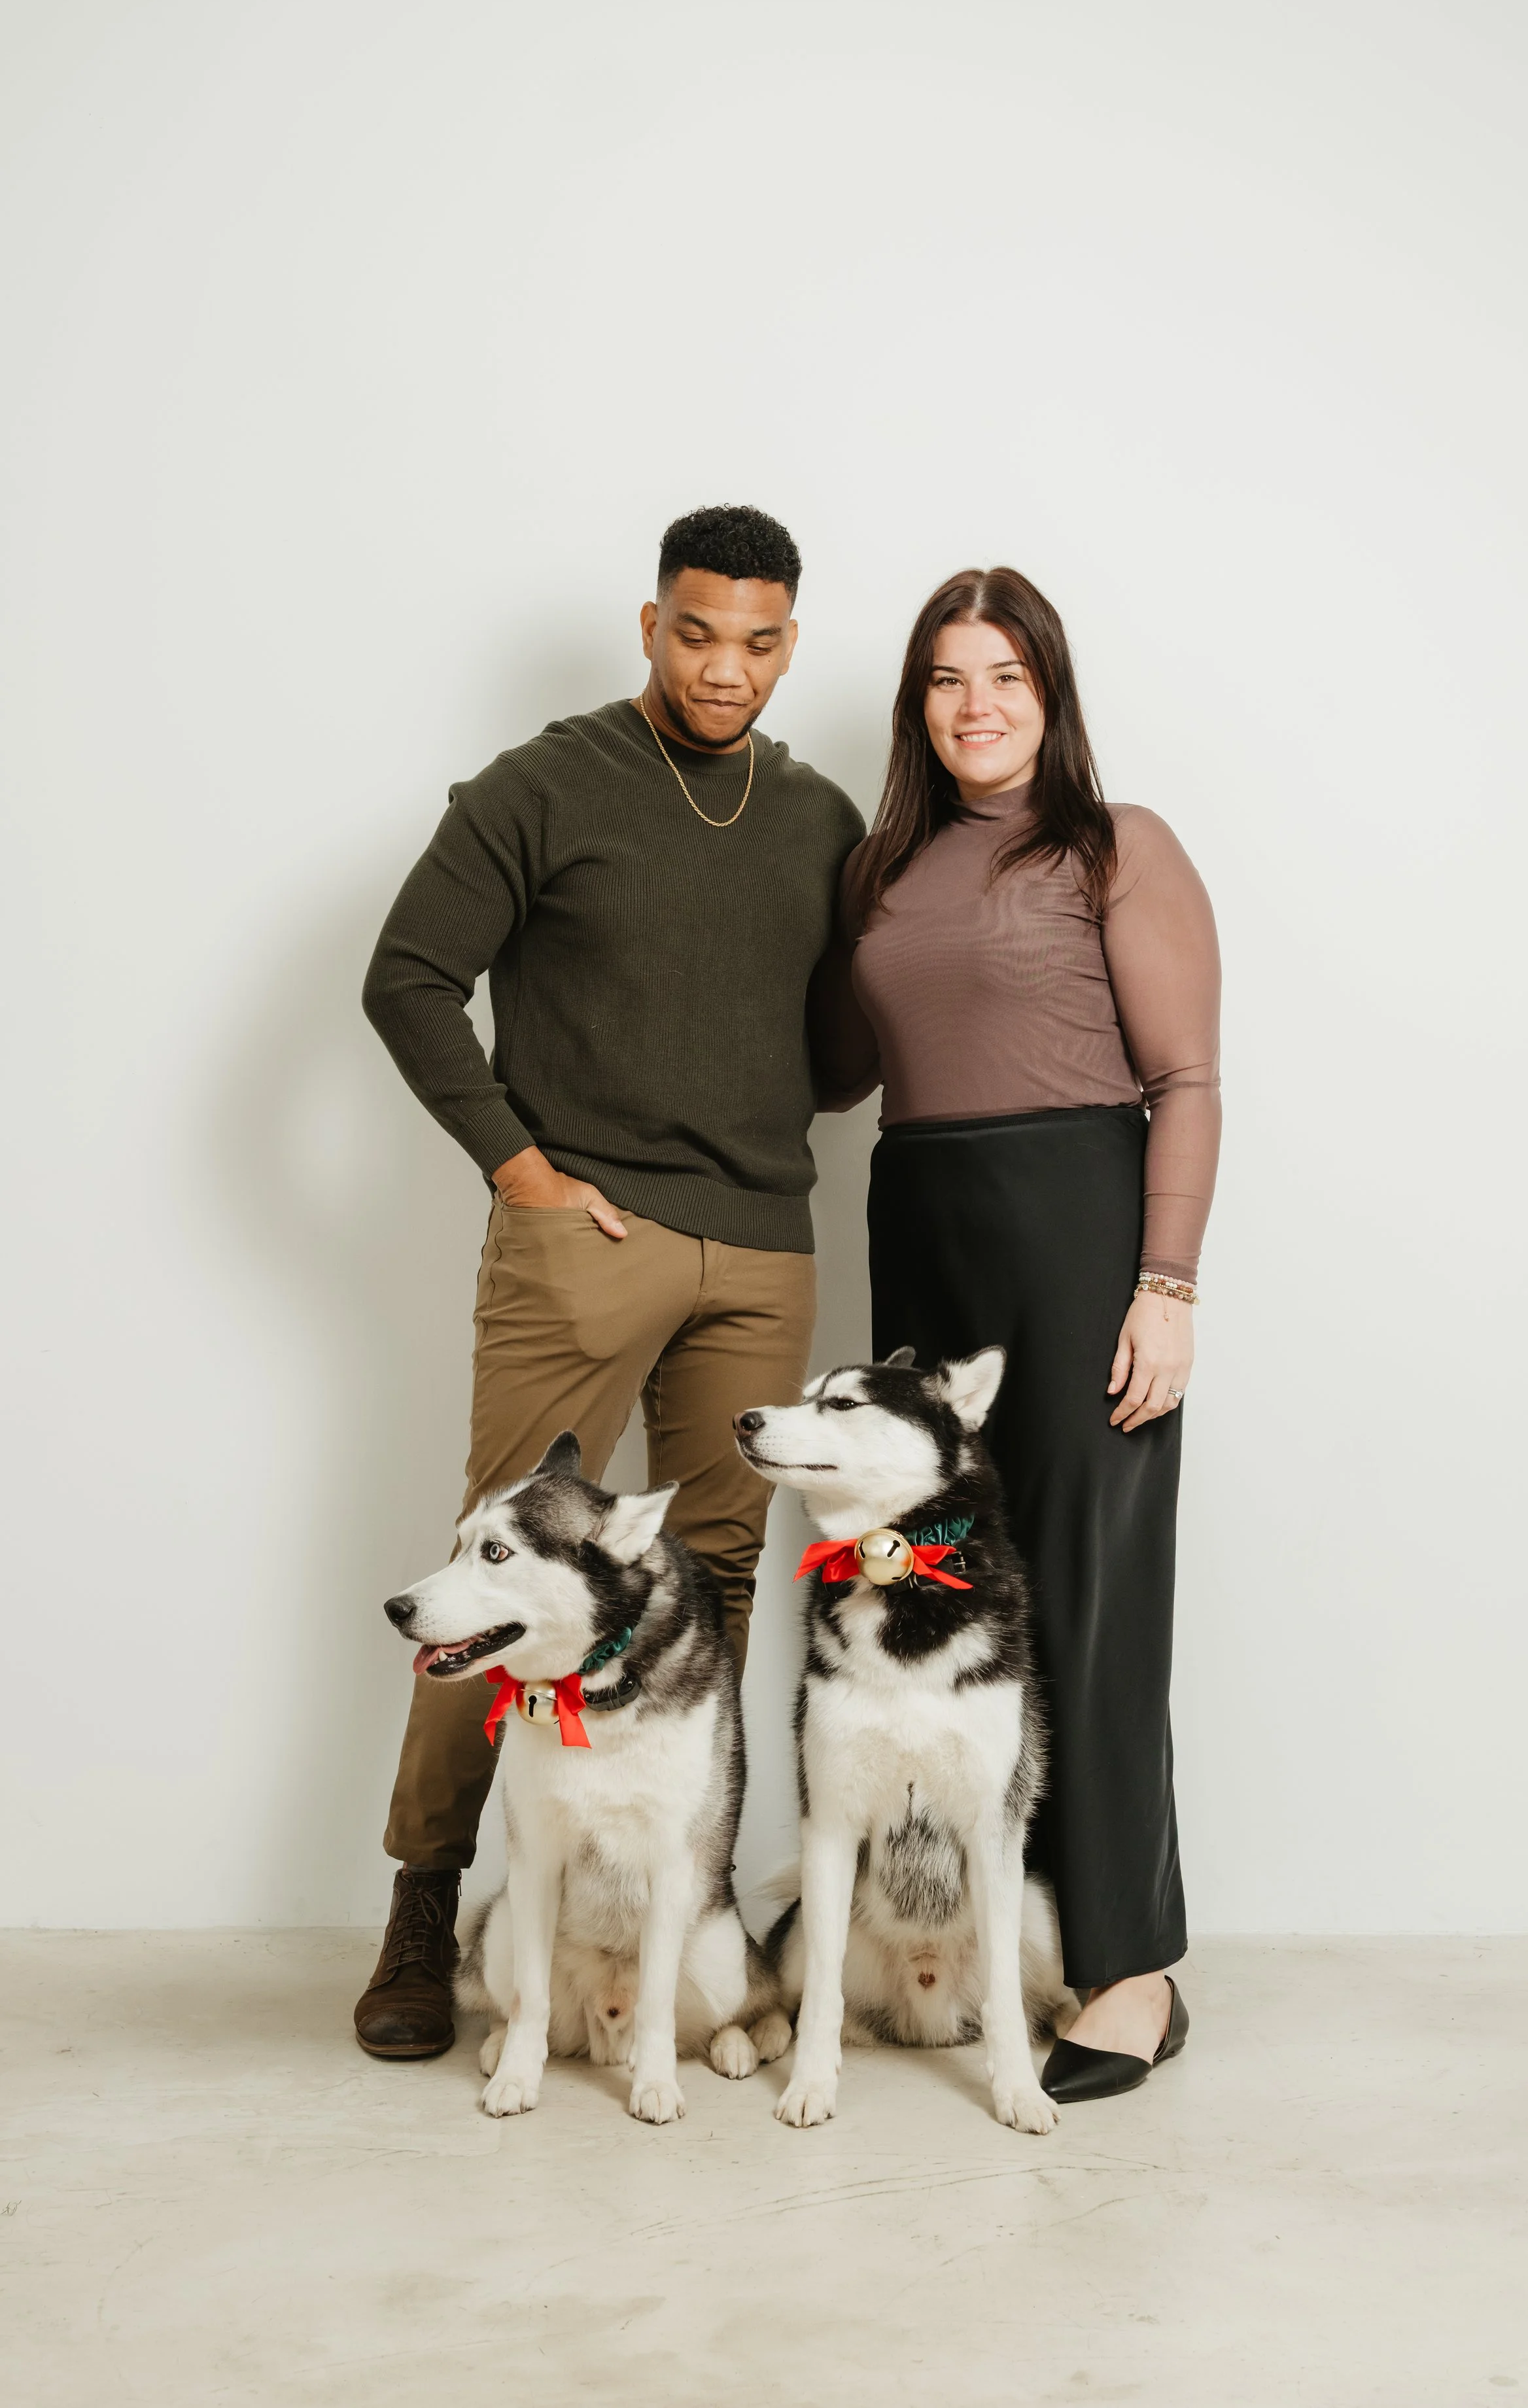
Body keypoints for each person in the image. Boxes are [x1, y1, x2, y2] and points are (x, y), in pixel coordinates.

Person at [354, 504, 864, 2060]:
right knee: (503, 1586)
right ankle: (428, 1906)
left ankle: (679, 1916)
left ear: (792, 640)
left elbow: (835, 1053)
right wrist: (520, 1166)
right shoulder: (543, 785)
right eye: (697, 632)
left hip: (760, 1248)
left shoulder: (820, 817)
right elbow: (408, 979)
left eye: (760, 640)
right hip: (584, 1239)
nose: (727, 668)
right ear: (651, 626)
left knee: (699, 1599)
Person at [812, 566, 1221, 2101]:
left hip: (1075, 1228)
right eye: (943, 678)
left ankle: (1131, 1968)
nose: (974, 706)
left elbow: (1184, 1080)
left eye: (1005, 676)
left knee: (1085, 1594)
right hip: (919, 1224)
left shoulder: (1117, 849)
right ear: (914, 703)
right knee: (930, 1585)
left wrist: (1163, 1289)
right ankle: (991, 1929)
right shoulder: (875, 869)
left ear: (1049, 696)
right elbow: (835, 1071)